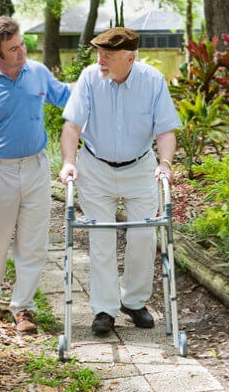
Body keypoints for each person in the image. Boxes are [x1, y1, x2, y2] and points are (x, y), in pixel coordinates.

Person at [59, 27, 180, 335]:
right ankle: (104, 308)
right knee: (102, 239)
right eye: (99, 53)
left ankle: (134, 301)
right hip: (96, 166)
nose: (100, 60)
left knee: (144, 236)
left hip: (140, 166)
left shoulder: (152, 80)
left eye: (108, 56)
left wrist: (165, 163)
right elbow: (72, 127)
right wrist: (69, 163)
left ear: (130, 58)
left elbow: (165, 130)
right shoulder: (89, 78)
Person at [0, 16, 70, 334]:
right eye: (13, 49)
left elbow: (67, 98)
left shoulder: (37, 73)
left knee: (33, 242)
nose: (22, 52)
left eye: (22, 44)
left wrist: (99, 87)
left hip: (35, 167)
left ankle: (23, 308)